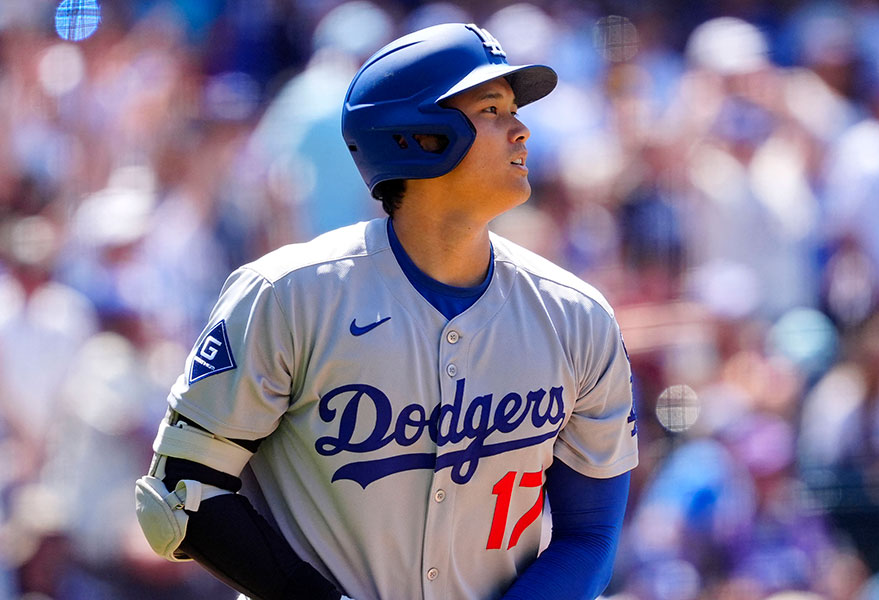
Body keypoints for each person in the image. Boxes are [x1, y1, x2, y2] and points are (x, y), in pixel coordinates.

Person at [135, 23, 638, 600]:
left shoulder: (576, 316)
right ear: (421, 136)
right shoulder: (289, 294)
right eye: (492, 109)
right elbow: (180, 495)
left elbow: (591, 535)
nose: (521, 129)